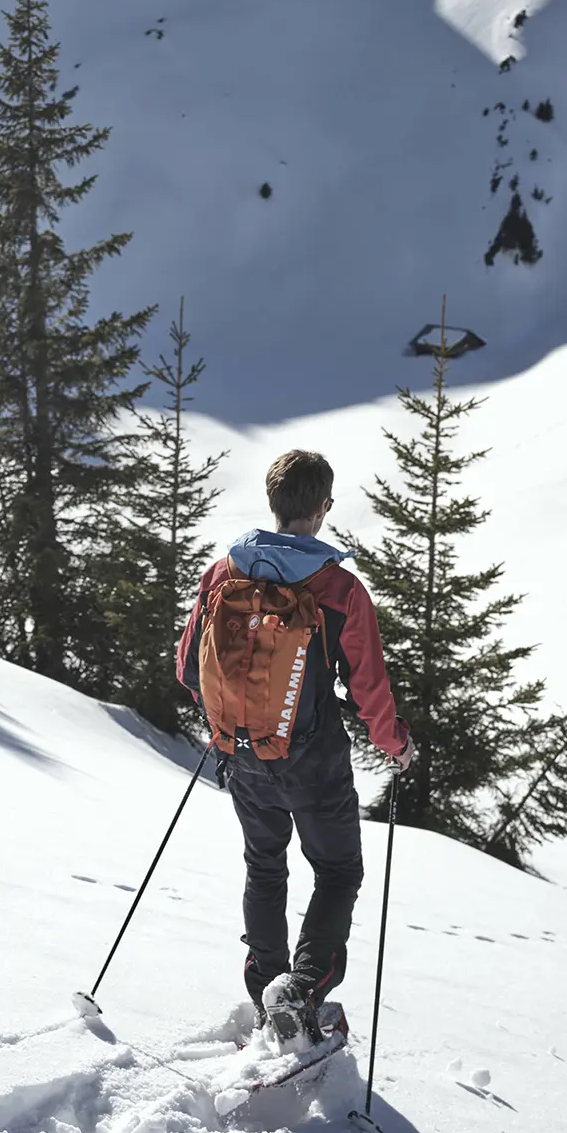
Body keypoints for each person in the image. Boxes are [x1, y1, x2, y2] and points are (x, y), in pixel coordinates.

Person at [176, 448, 413, 1045]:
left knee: (265, 864)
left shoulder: (223, 572)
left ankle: (266, 983)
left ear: (273, 503)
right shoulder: (339, 589)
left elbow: (186, 668)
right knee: (337, 870)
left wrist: (233, 716)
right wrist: (396, 745)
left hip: (242, 752)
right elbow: (367, 687)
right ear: (324, 508)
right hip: (314, 759)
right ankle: (302, 989)